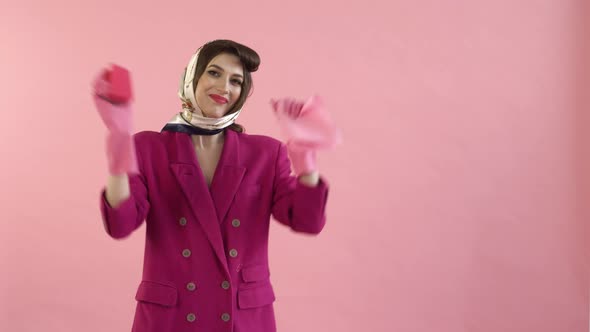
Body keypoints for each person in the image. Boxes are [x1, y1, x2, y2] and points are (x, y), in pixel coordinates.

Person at [92, 39, 340, 332]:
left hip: (242, 317)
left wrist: (305, 156)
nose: (224, 87)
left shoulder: (266, 153)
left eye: (236, 80)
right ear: (191, 76)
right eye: (213, 72)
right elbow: (120, 223)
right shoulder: (149, 147)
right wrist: (120, 138)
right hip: (171, 317)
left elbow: (308, 221)